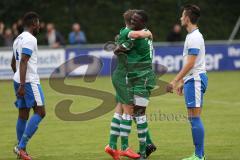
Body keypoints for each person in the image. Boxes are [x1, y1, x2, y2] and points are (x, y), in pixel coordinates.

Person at [105, 10, 156, 160]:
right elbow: (122, 46)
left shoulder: (128, 34)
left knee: (125, 110)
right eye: (133, 20)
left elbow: (118, 49)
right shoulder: (130, 33)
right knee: (134, 113)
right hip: (133, 77)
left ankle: (114, 146)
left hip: (131, 76)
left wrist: (119, 45)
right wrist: (147, 33)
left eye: (136, 20)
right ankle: (127, 147)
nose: (134, 23)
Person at [166, 4, 207, 160]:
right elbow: (188, 63)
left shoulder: (195, 37)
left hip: (196, 79)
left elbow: (191, 63)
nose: (181, 18)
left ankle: (199, 156)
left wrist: (175, 80)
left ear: (188, 18)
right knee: (192, 118)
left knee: (195, 118)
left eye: (183, 15)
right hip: (192, 79)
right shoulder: (191, 36)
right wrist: (182, 80)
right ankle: (200, 154)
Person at [11, 12, 46, 160]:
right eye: (38, 23)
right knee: (40, 111)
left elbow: (14, 63)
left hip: (18, 79)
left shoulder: (17, 39)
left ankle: (22, 151)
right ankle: (20, 147)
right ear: (33, 24)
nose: (39, 26)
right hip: (29, 81)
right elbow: (24, 61)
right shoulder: (31, 39)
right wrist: (23, 84)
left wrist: (19, 80)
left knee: (23, 114)